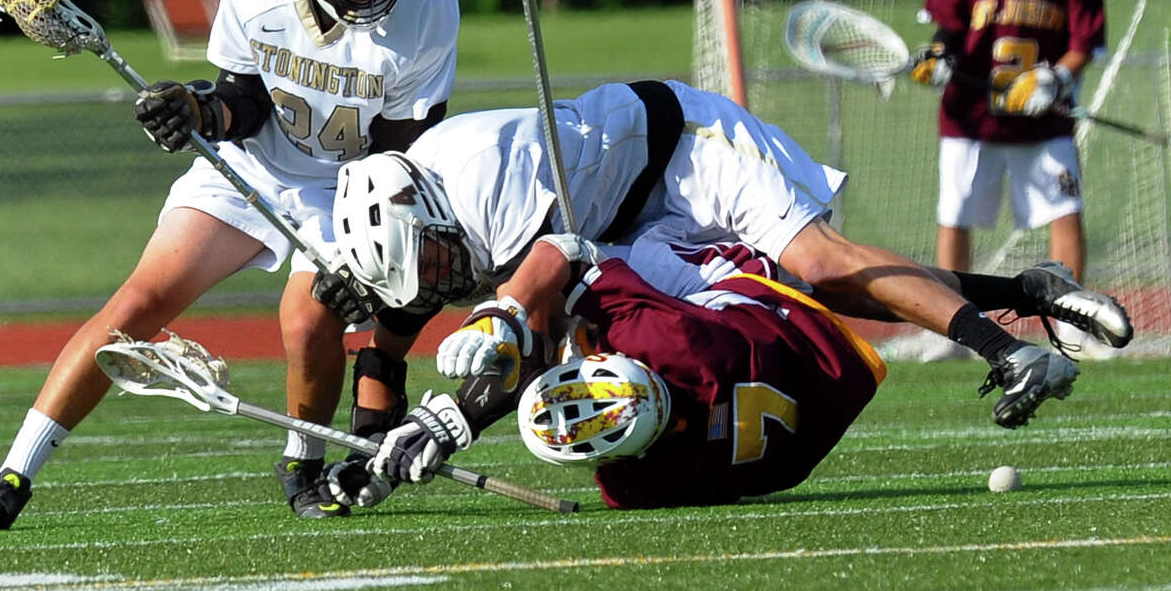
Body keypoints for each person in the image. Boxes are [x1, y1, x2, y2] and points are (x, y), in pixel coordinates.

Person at [320, 77, 1131, 501]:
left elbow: (538, 303)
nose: (439, 280)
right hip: (629, 222)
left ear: (427, 211)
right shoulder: (421, 229)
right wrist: (376, 454)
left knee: (820, 265)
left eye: (434, 261)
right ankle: (1030, 289)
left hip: (685, 151)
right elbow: (390, 343)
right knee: (799, 291)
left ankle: (1008, 349)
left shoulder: (490, 180)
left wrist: (454, 412)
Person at [0, 0, 459, 531]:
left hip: (348, 186)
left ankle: (303, 464)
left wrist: (366, 258)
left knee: (309, 316)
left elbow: (407, 151)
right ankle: (12, 476)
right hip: (250, 168)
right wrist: (197, 112)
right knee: (137, 303)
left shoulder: (431, 2)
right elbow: (241, 101)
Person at [357, 230, 1119, 507]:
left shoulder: (631, 485)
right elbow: (565, 253)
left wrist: (451, 419)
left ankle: (1025, 296)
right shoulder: (662, 336)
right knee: (831, 271)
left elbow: (573, 365)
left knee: (842, 285)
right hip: (761, 324)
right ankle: (1023, 297)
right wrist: (505, 311)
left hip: (811, 413)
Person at [910, 0, 1102, 292]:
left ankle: (1072, 317)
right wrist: (939, 56)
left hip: (1043, 117)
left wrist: (1055, 79)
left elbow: (1083, 45)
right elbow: (948, 27)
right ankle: (952, 316)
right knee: (955, 216)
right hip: (971, 118)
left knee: (1066, 211)